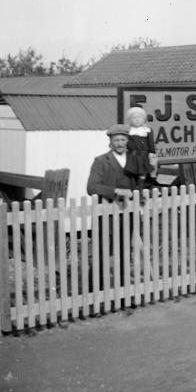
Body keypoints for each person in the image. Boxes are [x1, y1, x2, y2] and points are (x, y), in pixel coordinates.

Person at [86, 124, 136, 290]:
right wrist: (115, 191)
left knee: (123, 254)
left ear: (127, 141)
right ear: (111, 142)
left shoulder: (134, 160)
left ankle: (122, 293)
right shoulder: (101, 161)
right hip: (106, 216)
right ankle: (94, 291)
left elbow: (144, 182)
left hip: (127, 214)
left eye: (123, 139)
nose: (120, 143)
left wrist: (154, 168)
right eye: (116, 140)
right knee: (101, 254)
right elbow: (92, 187)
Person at [124, 107, 158, 191]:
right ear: (130, 120)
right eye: (134, 118)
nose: (137, 120)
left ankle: (141, 188)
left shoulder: (147, 130)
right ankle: (132, 189)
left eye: (140, 118)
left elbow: (151, 143)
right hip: (132, 155)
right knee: (131, 172)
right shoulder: (128, 131)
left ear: (144, 119)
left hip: (144, 155)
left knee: (142, 173)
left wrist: (152, 152)